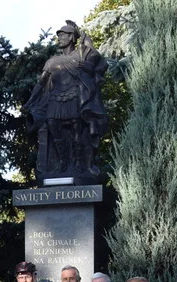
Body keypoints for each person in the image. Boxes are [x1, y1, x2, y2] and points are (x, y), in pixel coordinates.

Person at [24, 20, 108, 179]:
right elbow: (41, 83)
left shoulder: (81, 55)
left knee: (77, 130)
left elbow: (98, 64)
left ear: (71, 37)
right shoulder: (52, 61)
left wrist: (88, 65)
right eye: (59, 35)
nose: (59, 38)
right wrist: (29, 102)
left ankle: (78, 163)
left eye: (62, 35)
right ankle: (62, 161)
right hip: (55, 99)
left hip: (75, 98)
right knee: (52, 125)